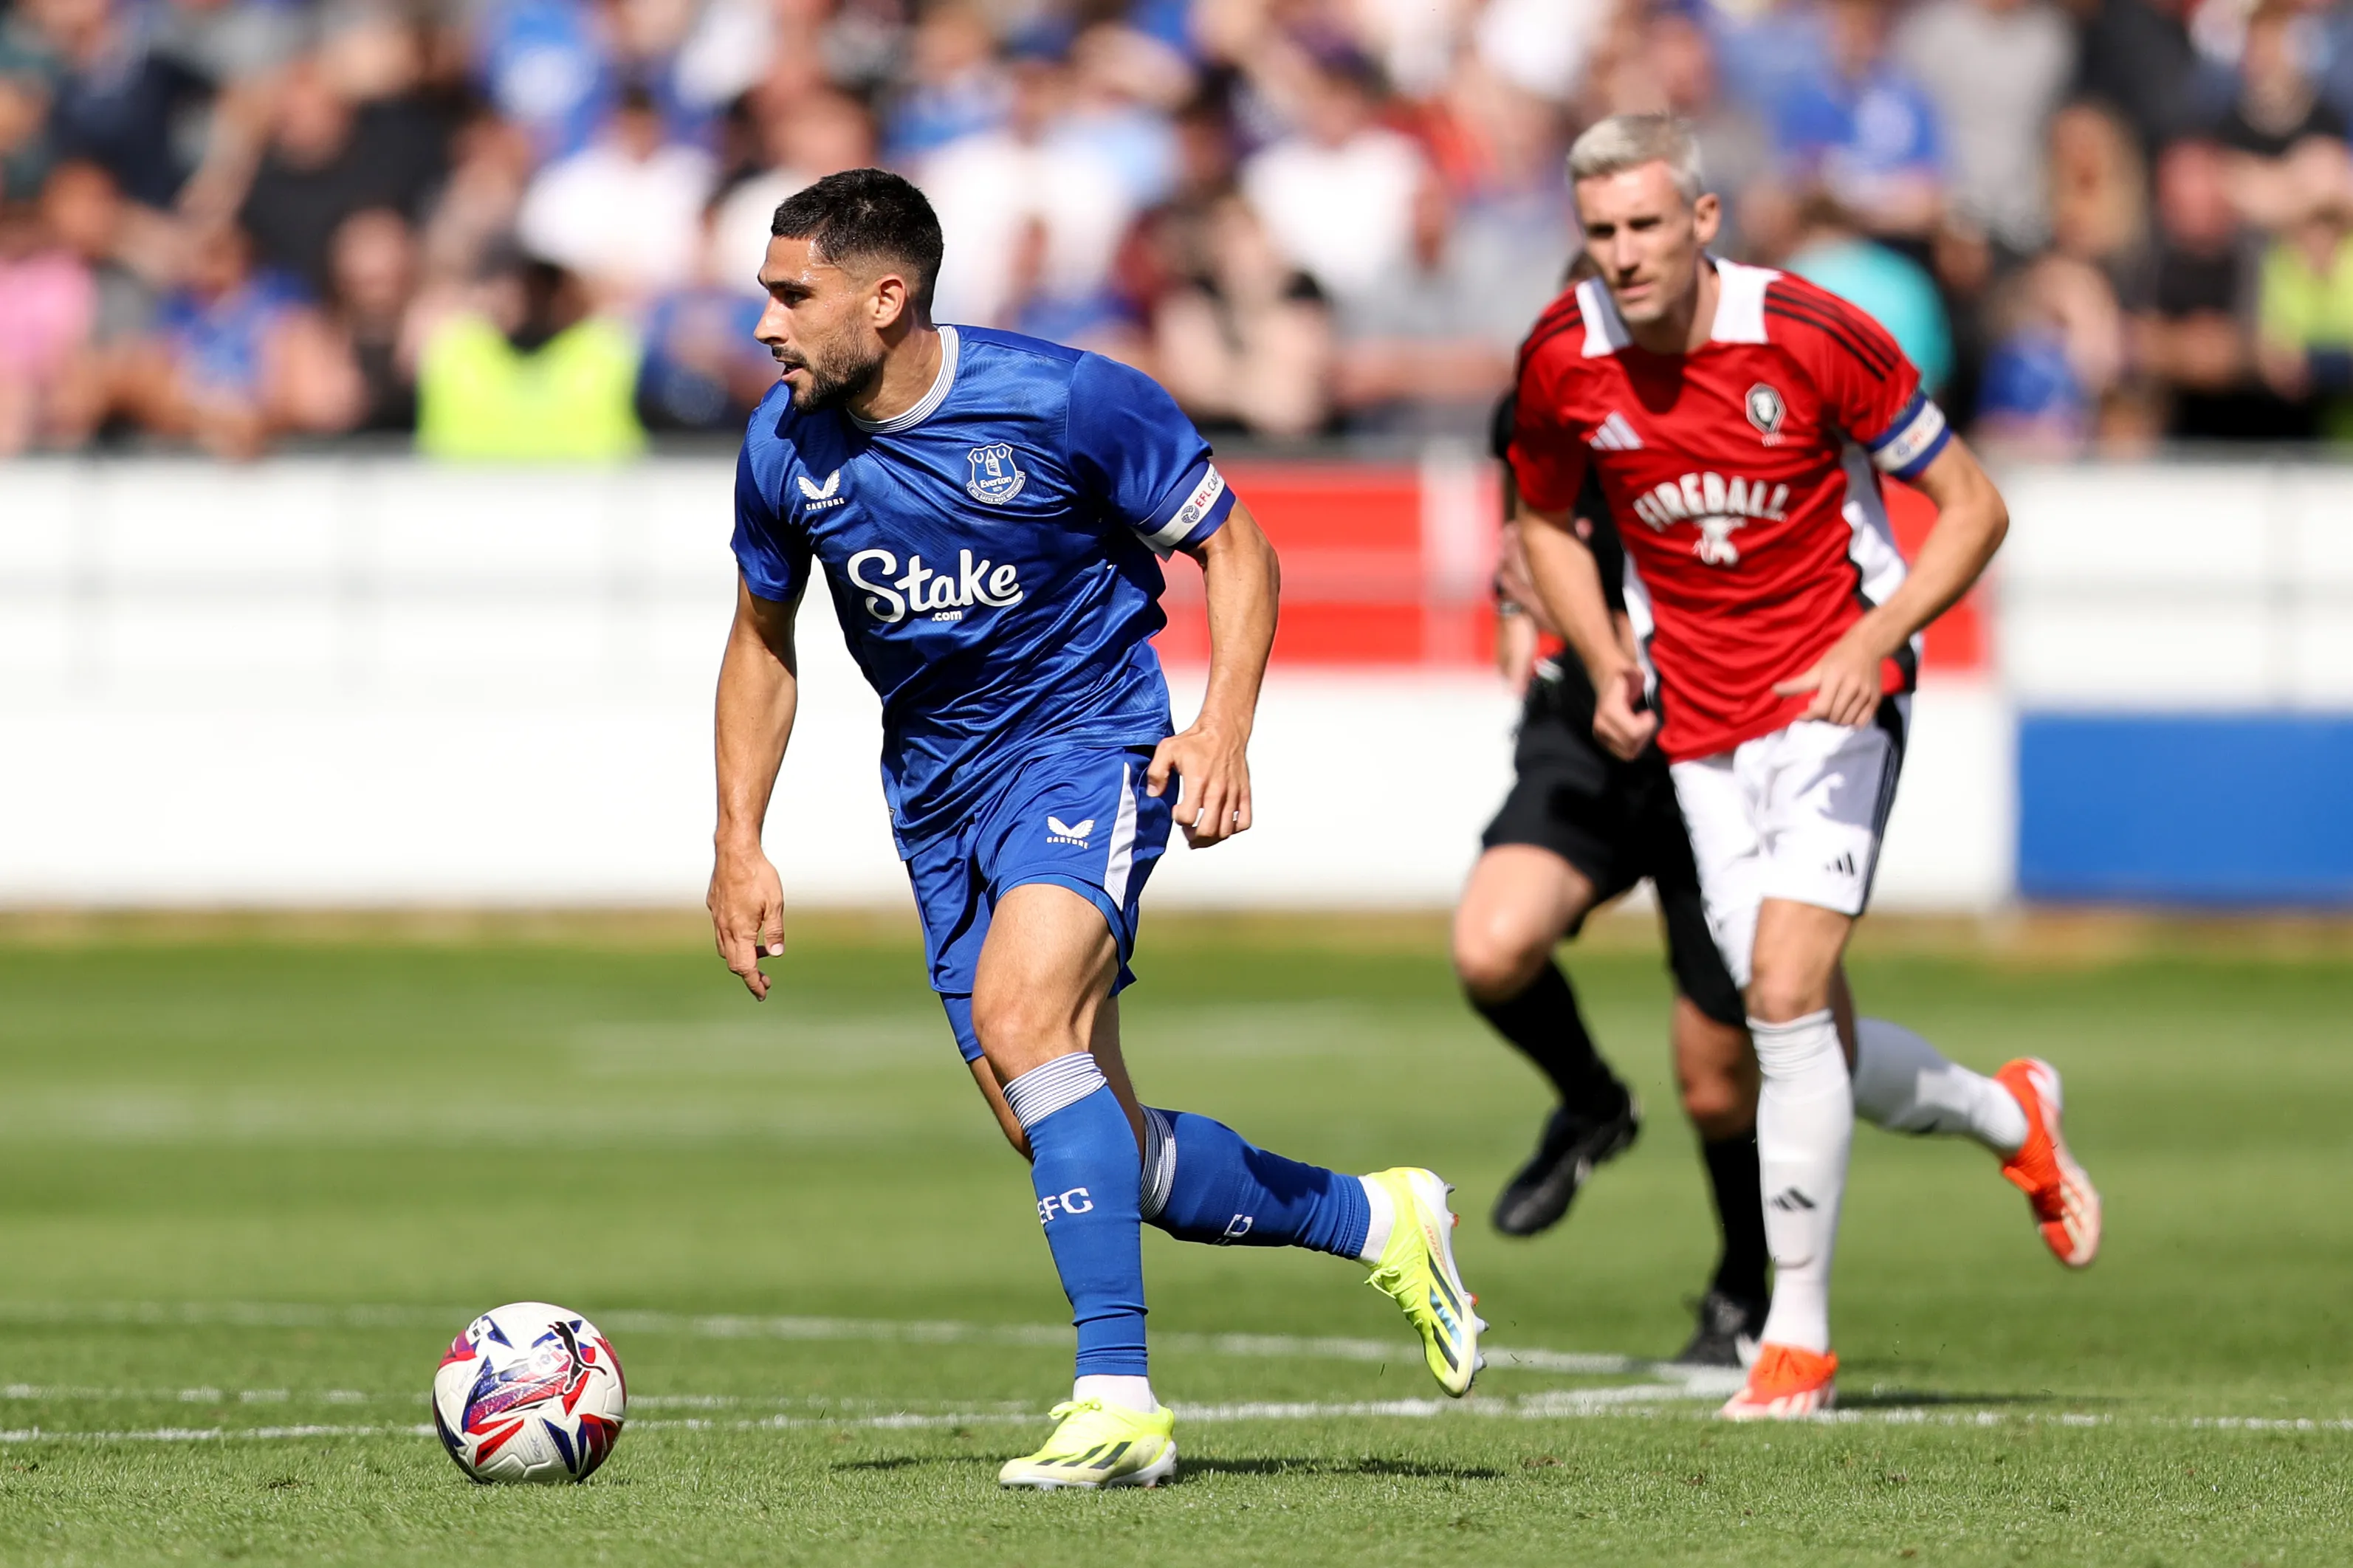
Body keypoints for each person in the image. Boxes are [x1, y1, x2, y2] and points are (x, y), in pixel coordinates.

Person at [708, 168, 1481, 1490]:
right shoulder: (783, 447)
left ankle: (1115, 1399)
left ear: (885, 298)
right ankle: (1378, 1216)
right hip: (938, 802)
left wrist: (1222, 726)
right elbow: (762, 643)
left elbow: (1237, 549)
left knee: (1024, 1024)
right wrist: (739, 840)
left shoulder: (1068, 400)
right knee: (1069, 1135)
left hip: (1089, 746)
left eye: (792, 295)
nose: (765, 324)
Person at [1509, 114, 2100, 1420]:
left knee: (1778, 997)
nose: (1622, 255)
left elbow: (1975, 505)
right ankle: (2009, 1118)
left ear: (1704, 221)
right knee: (1790, 1027)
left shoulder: (1811, 334)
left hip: (1839, 700)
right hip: (1696, 731)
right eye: (1600, 232)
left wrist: (1876, 638)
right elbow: (1540, 520)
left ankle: (1797, 1341)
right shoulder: (1564, 355)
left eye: (1646, 226)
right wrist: (1604, 654)